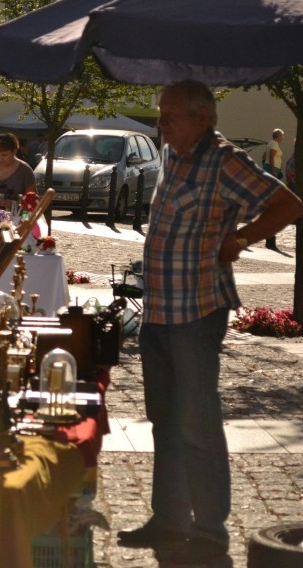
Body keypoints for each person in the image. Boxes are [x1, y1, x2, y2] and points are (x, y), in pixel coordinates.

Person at [116, 80, 303, 564]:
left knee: (197, 422)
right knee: (164, 421)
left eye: (169, 116)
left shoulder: (223, 160)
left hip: (197, 310)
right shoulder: (175, 153)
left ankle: (211, 530)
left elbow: (288, 204)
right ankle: (170, 518)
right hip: (159, 309)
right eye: (161, 115)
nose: (160, 123)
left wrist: (240, 238)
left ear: (202, 117)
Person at [0, 132, 36, 212]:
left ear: (14, 152)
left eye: (4, 155)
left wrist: (11, 203)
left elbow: (32, 201)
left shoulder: (25, 171)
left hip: (15, 220)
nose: (0, 158)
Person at [263, 128, 285, 251]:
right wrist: (272, 171)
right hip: (272, 169)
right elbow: (270, 157)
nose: (283, 138)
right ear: (278, 135)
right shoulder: (274, 143)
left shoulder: (271, 143)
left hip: (274, 168)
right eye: (282, 135)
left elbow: (264, 156)